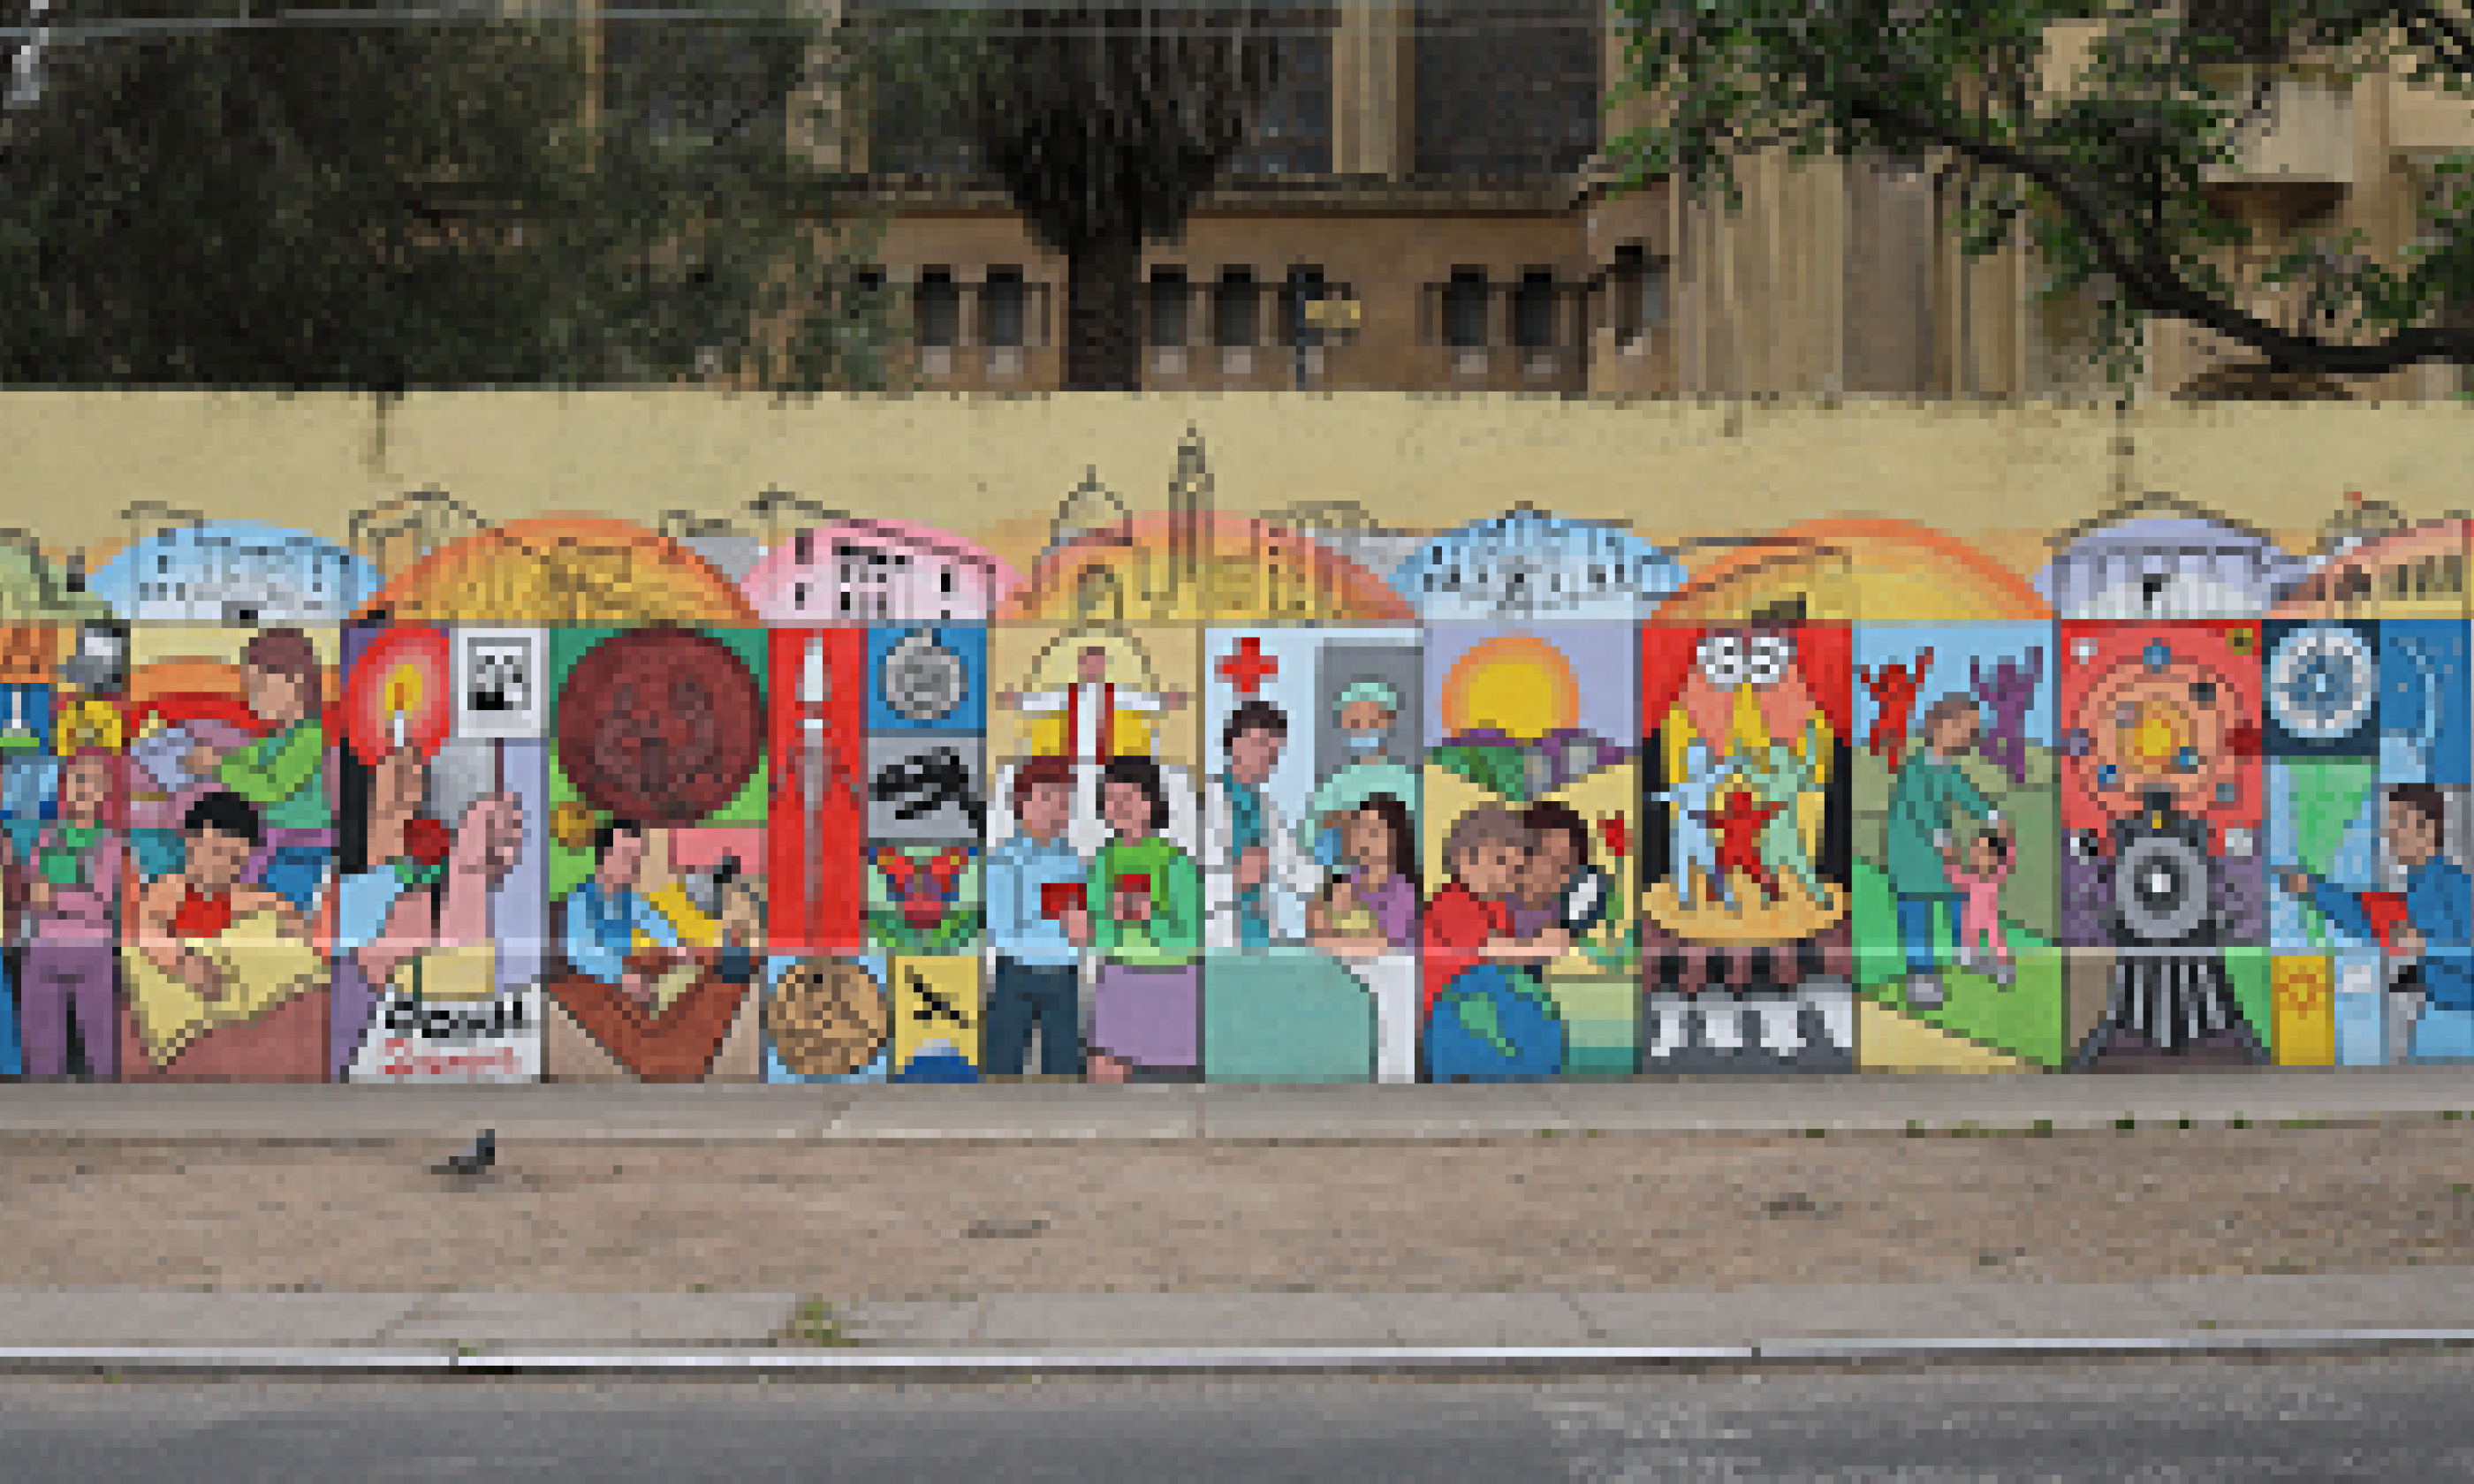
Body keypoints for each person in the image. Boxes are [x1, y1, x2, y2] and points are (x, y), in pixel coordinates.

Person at [124, 791, 319, 1070]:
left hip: (228, 979)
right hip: (190, 976)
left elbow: (291, 918)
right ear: (190, 842)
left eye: (237, 860)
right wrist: (182, 963)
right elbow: (147, 930)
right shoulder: (172, 888)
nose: (225, 867)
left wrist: (296, 932)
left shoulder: (241, 895)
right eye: (217, 852)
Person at [2284, 784, 2474, 1061]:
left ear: (2428, 829)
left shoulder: (2456, 886)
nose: (2389, 835)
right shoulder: (2416, 889)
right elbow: (2363, 915)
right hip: (2434, 1016)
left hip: (2462, 1021)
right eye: (2389, 825)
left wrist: (2425, 946)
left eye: (2398, 824)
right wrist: (2312, 889)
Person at [1063, 756, 1202, 1083]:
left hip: (1171, 982)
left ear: (1152, 801)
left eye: (1130, 797)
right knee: (1104, 1078)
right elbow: (1096, 928)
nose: (1120, 806)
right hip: (1118, 977)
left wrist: (1142, 915)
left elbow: (1188, 937)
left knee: (1171, 1085)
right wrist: (1083, 929)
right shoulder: (1102, 861)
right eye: (1111, 798)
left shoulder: (1175, 861)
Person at [186, 628, 332, 915]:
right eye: (249, 688)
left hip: (301, 850)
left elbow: (271, 787)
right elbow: (241, 763)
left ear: (296, 682)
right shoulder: (273, 740)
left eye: (259, 688)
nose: (252, 700)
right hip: (267, 846)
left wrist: (217, 765)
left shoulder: (311, 737)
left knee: (274, 912)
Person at [1885, 693, 2009, 1011]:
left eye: (1972, 732)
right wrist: (1943, 841)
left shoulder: (1948, 768)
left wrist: (1994, 818)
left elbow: (1967, 795)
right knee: (1917, 915)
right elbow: (1921, 809)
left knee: (1960, 899)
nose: (1969, 738)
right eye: (1966, 730)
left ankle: (1966, 951)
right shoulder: (1915, 769)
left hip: (1939, 855)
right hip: (1911, 855)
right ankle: (1921, 978)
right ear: (1941, 726)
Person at [18, 750, 125, 1079]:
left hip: (93, 949)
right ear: (66, 786)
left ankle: (104, 1115)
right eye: (79, 779)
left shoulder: (109, 844)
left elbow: (101, 901)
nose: (84, 787)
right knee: (42, 1045)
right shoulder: (47, 838)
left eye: (93, 781)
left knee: (99, 1042)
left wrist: (59, 893)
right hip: (44, 947)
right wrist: (78, 889)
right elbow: (37, 897)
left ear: (104, 791)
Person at [983, 757, 1088, 1079]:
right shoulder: (1004, 859)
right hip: (1015, 974)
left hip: (1064, 975)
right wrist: (1057, 922)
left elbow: (1080, 924)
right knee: (1004, 1064)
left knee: (1065, 1066)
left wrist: (1079, 928)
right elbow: (999, 930)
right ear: (1022, 801)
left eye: (1063, 800)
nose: (1055, 809)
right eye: (1046, 797)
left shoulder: (1073, 860)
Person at [1419, 806, 1565, 1024]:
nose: (1509, 872)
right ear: (1464, 861)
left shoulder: (1498, 907)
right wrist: (1537, 947)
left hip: (1479, 1006)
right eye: (1500, 861)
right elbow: (1490, 949)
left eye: (1515, 867)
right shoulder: (1450, 900)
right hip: (1439, 1013)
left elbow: (1508, 960)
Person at [1202, 700, 1318, 950]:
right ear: (1233, 744)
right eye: (1260, 745)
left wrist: (1348, 887)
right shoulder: (1199, 805)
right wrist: (1233, 879)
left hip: (1259, 939)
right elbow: (1179, 882)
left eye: (1274, 750)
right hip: (1216, 942)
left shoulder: (1266, 809)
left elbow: (1296, 868)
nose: (1268, 757)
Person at [560, 820, 683, 1008]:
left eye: (635, 859)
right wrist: (623, 976)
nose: (633, 867)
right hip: (591, 992)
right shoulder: (580, 900)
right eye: (625, 857)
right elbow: (581, 951)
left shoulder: (630, 898)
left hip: (628, 989)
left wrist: (677, 947)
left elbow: (655, 921)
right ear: (604, 857)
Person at [1301, 680, 1421, 854]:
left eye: (1371, 721)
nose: (1364, 729)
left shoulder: (1410, 784)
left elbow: (1420, 842)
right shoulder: (1334, 787)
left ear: (1389, 721)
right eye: (1355, 723)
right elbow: (1312, 844)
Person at [1306, 793, 1420, 956]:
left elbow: (1388, 947)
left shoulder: (1403, 892)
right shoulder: (1343, 883)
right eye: (1360, 829)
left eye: (1373, 832)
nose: (1363, 839)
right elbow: (1315, 935)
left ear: (1394, 839)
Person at [1508, 801, 1605, 947]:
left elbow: (1571, 941)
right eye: (1546, 856)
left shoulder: (1582, 889)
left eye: (1565, 863)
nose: (1555, 870)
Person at [1943, 828, 2016, 988]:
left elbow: (2009, 858)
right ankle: (1976, 961)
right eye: (1975, 850)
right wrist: (1947, 852)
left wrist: (2005, 834)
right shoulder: (1971, 876)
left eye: (1982, 851)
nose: (1976, 854)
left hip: (1989, 917)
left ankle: (2004, 969)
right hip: (1970, 917)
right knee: (1968, 941)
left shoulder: (1997, 874)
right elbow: (1953, 875)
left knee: (1996, 941)